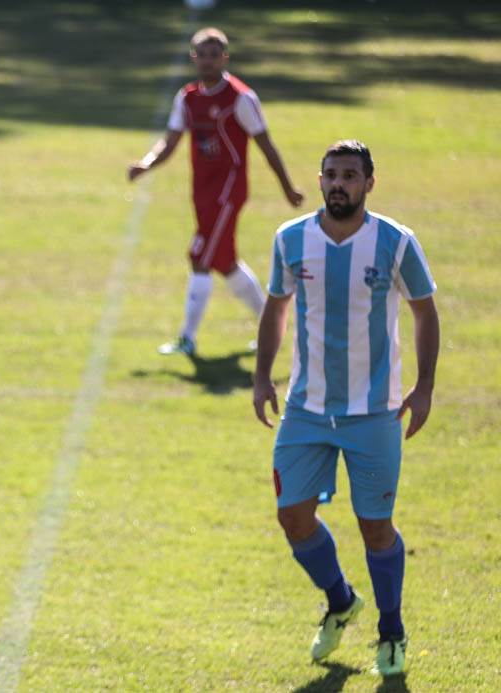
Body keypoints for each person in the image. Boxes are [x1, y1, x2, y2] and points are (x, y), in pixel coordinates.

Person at [253, 140, 439, 677]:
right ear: (320, 180)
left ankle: (391, 631)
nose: (339, 183)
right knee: (293, 516)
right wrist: (263, 376)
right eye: (331, 174)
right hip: (306, 410)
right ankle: (340, 600)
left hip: (374, 413)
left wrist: (424, 387)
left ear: (369, 184)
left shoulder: (396, 242)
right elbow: (275, 308)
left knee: (375, 527)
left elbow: (425, 314)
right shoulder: (291, 240)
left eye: (351, 175)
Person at [128, 26, 304, 357]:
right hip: (202, 191)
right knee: (225, 262)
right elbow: (170, 141)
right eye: (202, 55)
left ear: (224, 58)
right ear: (194, 58)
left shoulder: (241, 99)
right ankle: (274, 327)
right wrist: (145, 164)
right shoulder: (188, 98)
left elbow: (265, 145)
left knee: (199, 256)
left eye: (214, 55)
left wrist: (288, 188)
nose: (208, 62)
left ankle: (187, 338)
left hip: (228, 191)